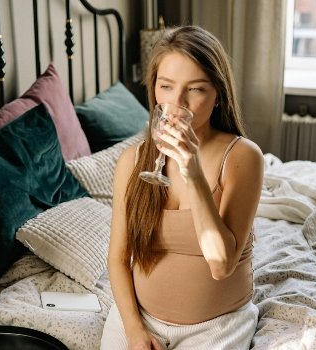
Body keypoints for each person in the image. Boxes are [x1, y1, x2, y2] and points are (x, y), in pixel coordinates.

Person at [100, 25, 264, 350]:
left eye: (196, 89)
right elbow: (118, 260)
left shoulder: (243, 157)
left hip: (216, 328)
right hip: (138, 319)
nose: (176, 104)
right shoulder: (131, 162)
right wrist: (134, 331)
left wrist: (192, 172)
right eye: (166, 87)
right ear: (154, 91)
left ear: (218, 94)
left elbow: (221, 264)